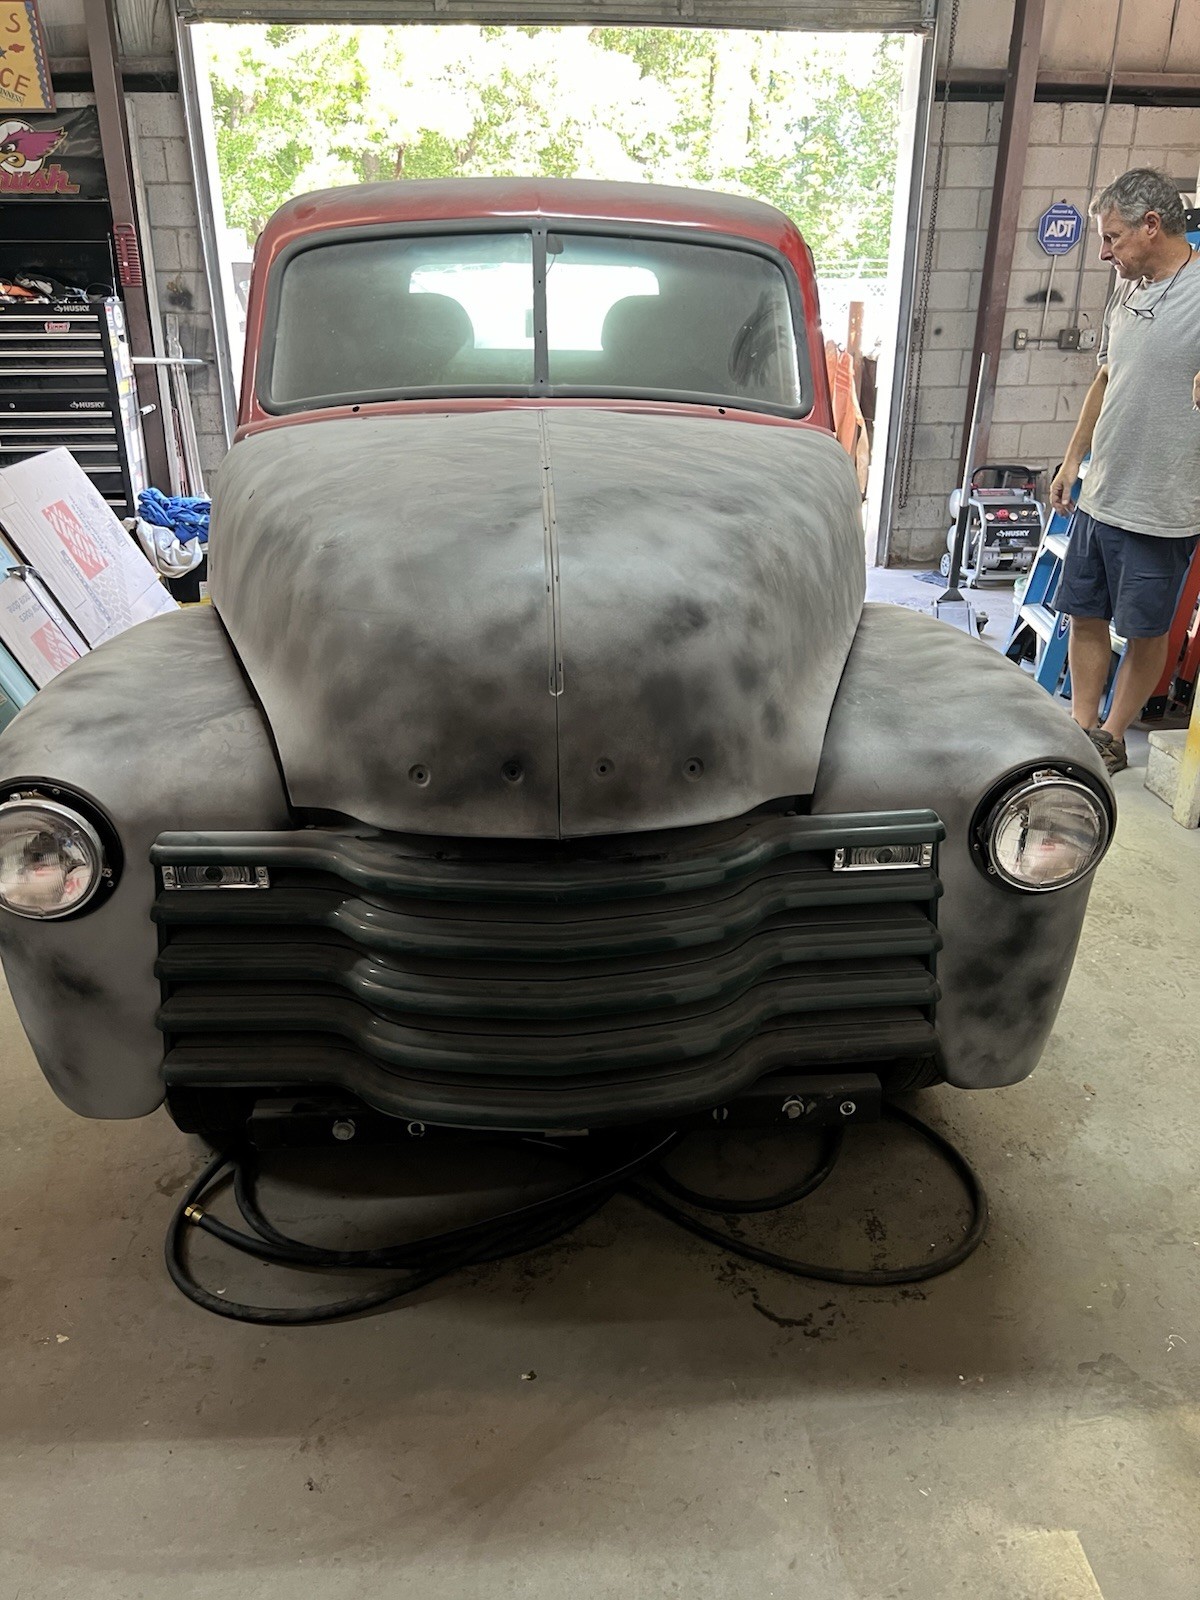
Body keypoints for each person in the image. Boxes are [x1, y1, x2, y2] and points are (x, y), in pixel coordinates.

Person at [1048, 168, 1200, 775]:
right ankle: (1082, 723)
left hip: (1164, 502)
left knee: (1144, 628)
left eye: (1113, 238)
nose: (1105, 252)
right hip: (1102, 489)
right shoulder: (1127, 290)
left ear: (1152, 225)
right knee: (1085, 611)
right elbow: (1105, 378)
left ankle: (1112, 736)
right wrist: (1072, 460)